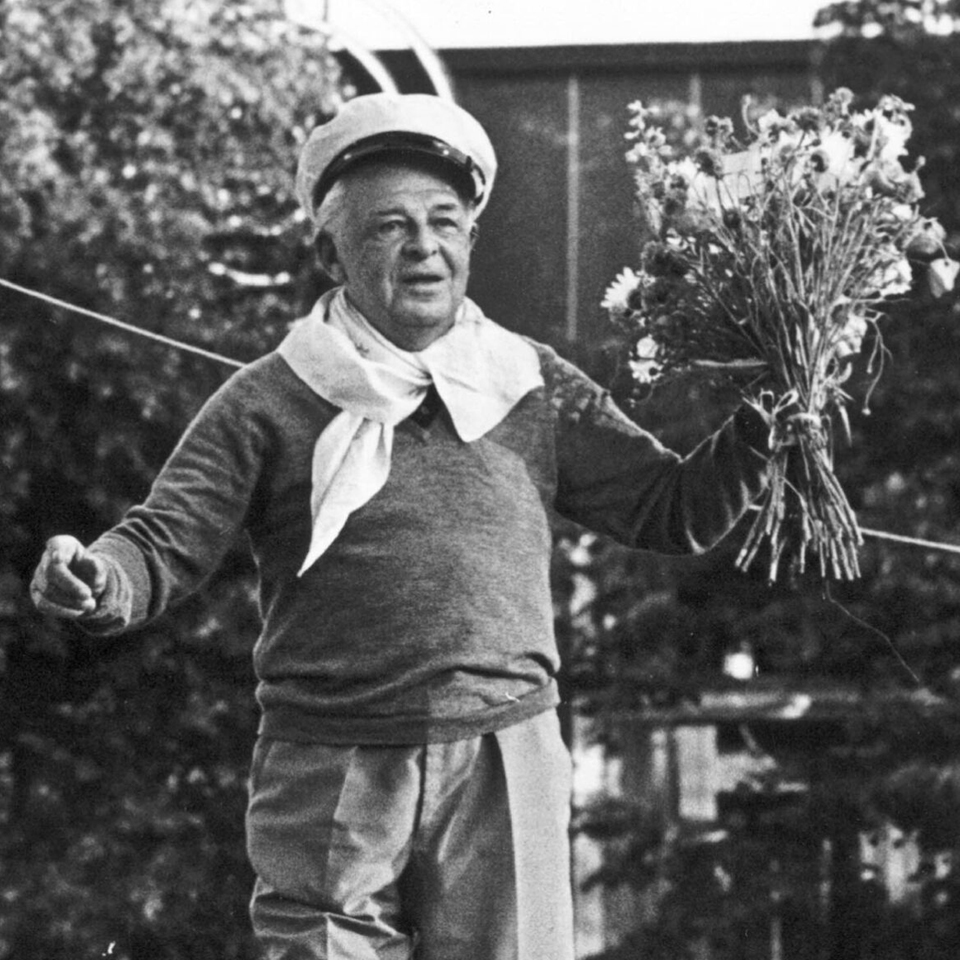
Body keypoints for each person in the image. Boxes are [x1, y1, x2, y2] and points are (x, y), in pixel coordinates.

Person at [30, 92, 771, 960]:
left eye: (444, 222)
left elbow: (670, 508)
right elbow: (162, 541)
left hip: (506, 758)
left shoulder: (532, 382)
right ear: (328, 250)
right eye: (388, 227)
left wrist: (768, 422)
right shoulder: (268, 397)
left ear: (470, 238)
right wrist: (96, 578)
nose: (424, 248)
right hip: (329, 765)